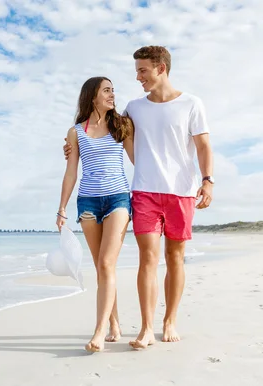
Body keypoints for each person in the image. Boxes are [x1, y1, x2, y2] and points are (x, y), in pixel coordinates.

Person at [64, 46, 215, 349]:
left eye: (142, 70)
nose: (137, 77)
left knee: (174, 257)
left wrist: (207, 180)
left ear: (161, 68)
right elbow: (101, 127)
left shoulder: (192, 104)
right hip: (144, 190)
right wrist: (70, 146)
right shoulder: (133, 108)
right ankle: (146, 328)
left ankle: (169, 320)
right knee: (148, 257)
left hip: (181, 192)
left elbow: (203, 146)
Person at [56, 77, 134, 352]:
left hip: (118, 199)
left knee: (105, 263)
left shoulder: (122, 125)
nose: (113, 94)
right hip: (88, 202)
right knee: (102, 267)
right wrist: (62, 207)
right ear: (92, 97)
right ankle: (114, 324)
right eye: (107, 90)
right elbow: (71, 172)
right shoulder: (76, 131)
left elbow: (138, 159)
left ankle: (99, 331)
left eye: (113, 90)